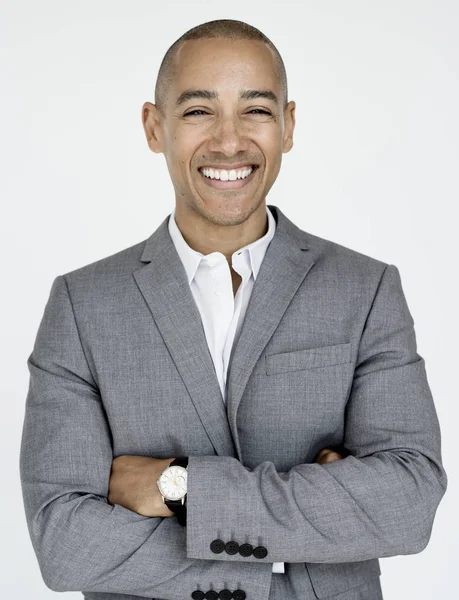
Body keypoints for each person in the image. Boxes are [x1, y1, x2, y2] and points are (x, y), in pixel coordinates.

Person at [19, 18, 447, 600]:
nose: (229, 141)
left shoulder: (365, 289)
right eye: (198, 111)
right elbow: (66, 546)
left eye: (256, 111)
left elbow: (408, 503)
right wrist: (296, 540)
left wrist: (181, 488)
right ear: (154, 126)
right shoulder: (82, 305)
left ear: (288, 126)